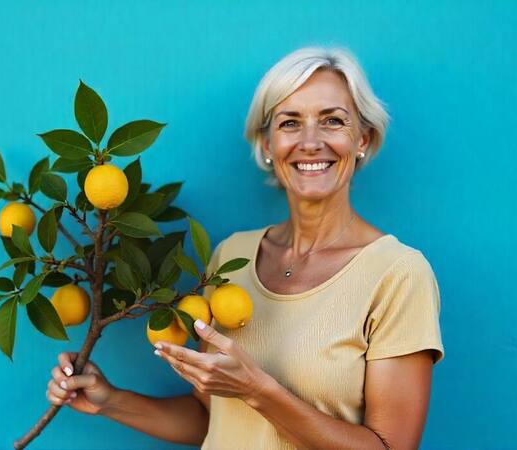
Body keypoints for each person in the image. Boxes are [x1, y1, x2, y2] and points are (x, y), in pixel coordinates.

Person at [46, 46, 444, 450]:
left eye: (333, 121)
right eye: (290, 123)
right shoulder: (231, 258)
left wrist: (257, 390)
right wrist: (110, 401)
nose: (310, 141)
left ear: (363, 138)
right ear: (267, 145)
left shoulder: (398, 274)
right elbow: (208, 418)